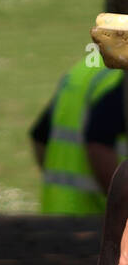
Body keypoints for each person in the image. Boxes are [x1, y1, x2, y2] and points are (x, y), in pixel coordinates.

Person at [30, 56, 127, 213]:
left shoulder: (85, 70)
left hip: (57, 211)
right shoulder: (120, 74)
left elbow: (39, 138)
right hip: (99, 220)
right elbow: (98, 145)